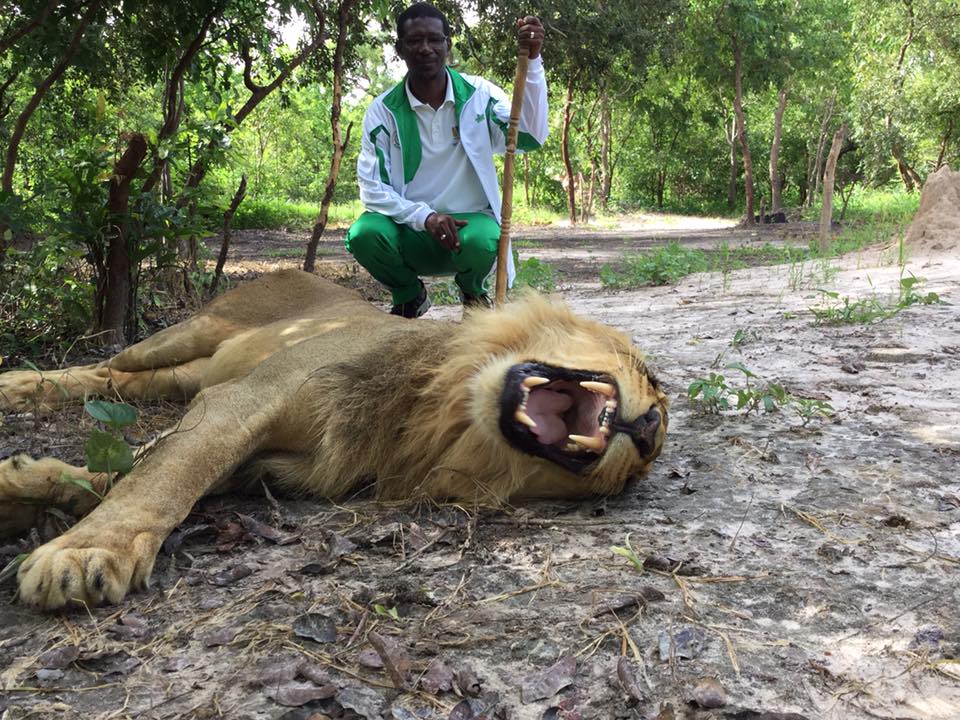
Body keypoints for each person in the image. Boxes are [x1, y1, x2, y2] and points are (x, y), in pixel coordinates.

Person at [346, 2, 548, 318]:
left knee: (484, 239)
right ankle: (409, 295)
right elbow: (372, 190)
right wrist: (425, 217)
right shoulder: (383, 111)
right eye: (414, 41)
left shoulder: (479, 96)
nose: (425, 48)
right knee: (364, 234)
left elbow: (531, 136)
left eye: (434, 39)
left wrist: (533, 61)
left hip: (469, 229)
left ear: (447, 44)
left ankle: (473, 295)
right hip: (410, 230)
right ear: (400, 48)